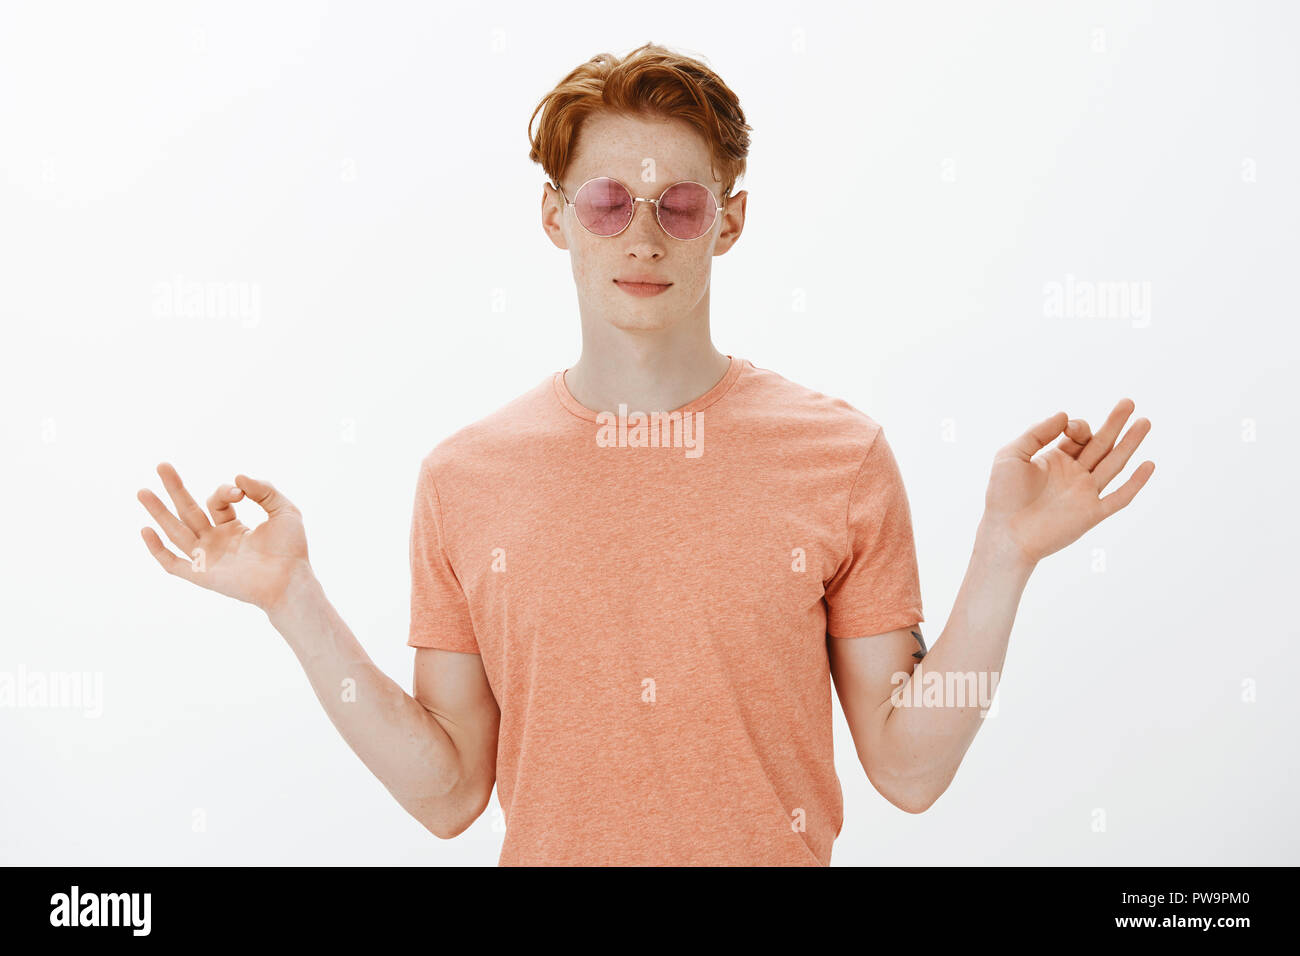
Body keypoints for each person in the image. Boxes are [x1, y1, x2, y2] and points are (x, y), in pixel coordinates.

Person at [136, 42, 1154, 866]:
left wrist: (1005, 552)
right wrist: (292, 600)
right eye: (607, 202)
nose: (643, 236)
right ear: (555, 217)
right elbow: (448, 794)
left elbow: (910, 768)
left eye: (679, 205)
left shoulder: (838, 456)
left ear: (729, 222)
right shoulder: (464, 478)